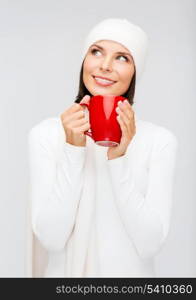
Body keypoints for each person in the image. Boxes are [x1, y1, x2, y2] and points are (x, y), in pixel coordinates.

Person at [26, 18, 178, 277]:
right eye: (96, 52)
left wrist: (118, 159)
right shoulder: (46, 134)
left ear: (135, 72)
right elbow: (51, 238)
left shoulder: (159, 141)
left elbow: (150, 244)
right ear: (84, 60)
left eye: (122, 58)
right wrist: (73, 149)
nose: (105, 66)